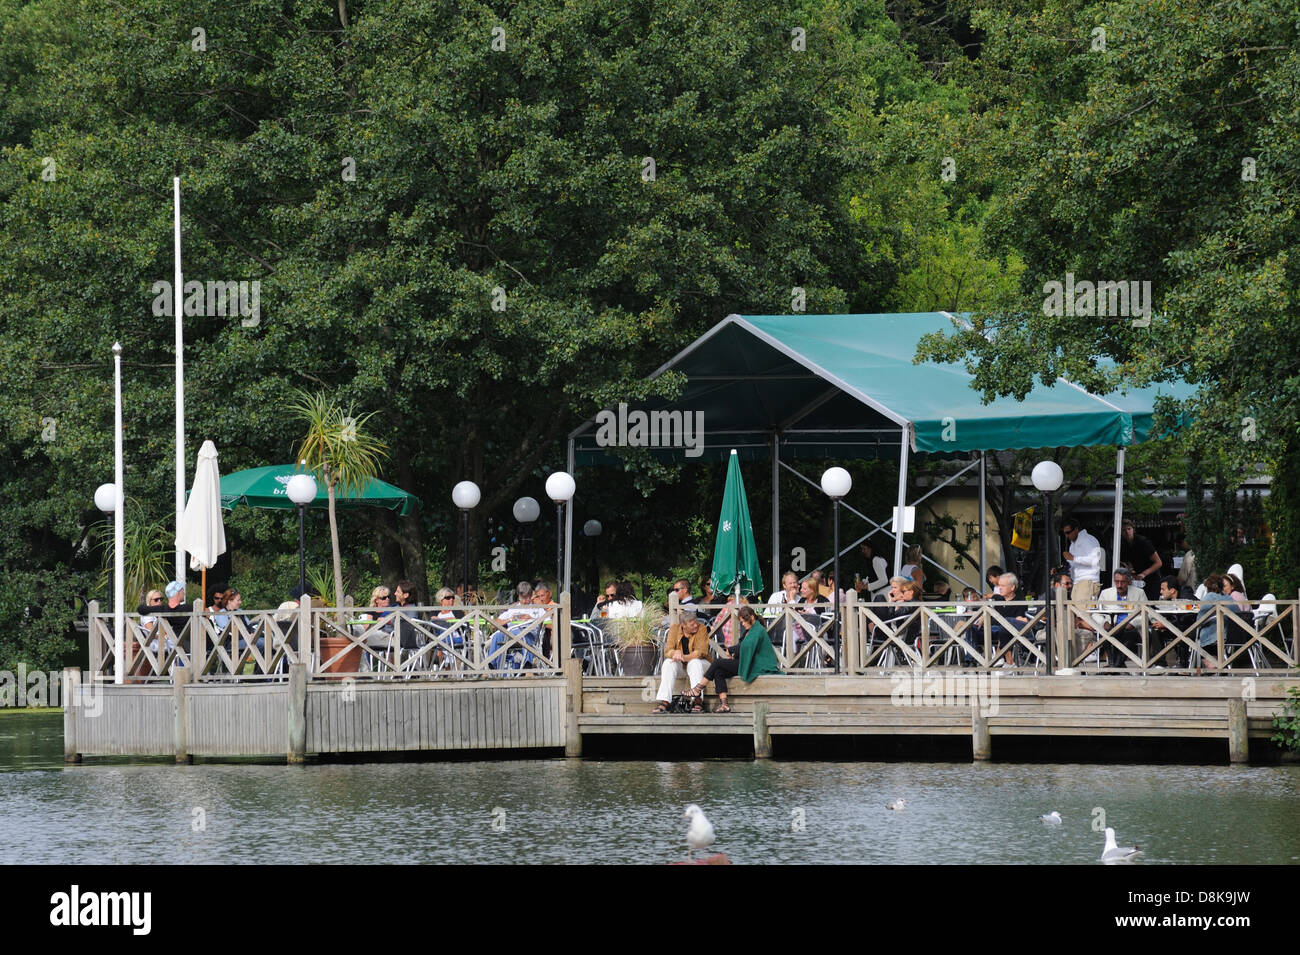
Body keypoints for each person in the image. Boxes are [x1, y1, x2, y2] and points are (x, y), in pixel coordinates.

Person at [687, 605, 781, 713]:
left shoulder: (758, 629)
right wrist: (734, 652)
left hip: (755, 664)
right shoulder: (750, 630)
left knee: (717, 662)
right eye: (741, 622)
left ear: (752, 617)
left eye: (744, 621)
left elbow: (747, 646)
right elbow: (743, 646)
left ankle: (698, 688)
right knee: (718, 671)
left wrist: (731, 650)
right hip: (745, 661)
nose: (743, 624)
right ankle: (724, 704)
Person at [652, 611, 712, 713]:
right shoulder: (675, 629)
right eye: (692, 624)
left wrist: (682, 657)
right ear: (683, 625)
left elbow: (700, 653)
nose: (696, 625)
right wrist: (675, 652)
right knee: (668, 663)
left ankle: (697, 700)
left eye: (696, 622)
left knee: (695, 663)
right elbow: (668, 650)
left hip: (703, 664)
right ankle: (665, 701)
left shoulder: (701, 628)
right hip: (683, 666)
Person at [1089, 567, 1147, 668]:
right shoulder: (1105, 593)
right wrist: (1104, 623)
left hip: (1130, 628)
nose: (1119, 585)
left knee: (1129, 634)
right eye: (1117, 582)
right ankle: (1117, 665)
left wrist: (1132, 624)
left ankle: (1114, 666)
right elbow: (1095, 613)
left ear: (1129, 581)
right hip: (1111, 626)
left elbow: (1147, 613)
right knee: (1106, 634)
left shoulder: (1139, 593)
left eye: (1123, 582)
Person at [1060, 518, 1103, 606]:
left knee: (1083, 614)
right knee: (1076, 614)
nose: (1067, 536)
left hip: (1088, 581)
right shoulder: (1072, 545)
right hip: (1077, 582)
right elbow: (1072, 564)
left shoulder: (1088, 540)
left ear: (1076, 529)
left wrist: (1074, 558)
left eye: (1068, 532)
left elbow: (1094, 560)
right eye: (1065, 533)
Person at [1120, 519, 1163, 599]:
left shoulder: (1143, 542)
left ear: (1133, 529)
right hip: (1138, 580)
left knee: (1150, 605)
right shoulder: (1123, 544)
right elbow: (1129, 563)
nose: (1127, 532)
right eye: (1124, 530)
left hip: (1152, 579)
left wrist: (1144, 573)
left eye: (1129, 529)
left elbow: (1159, 563)